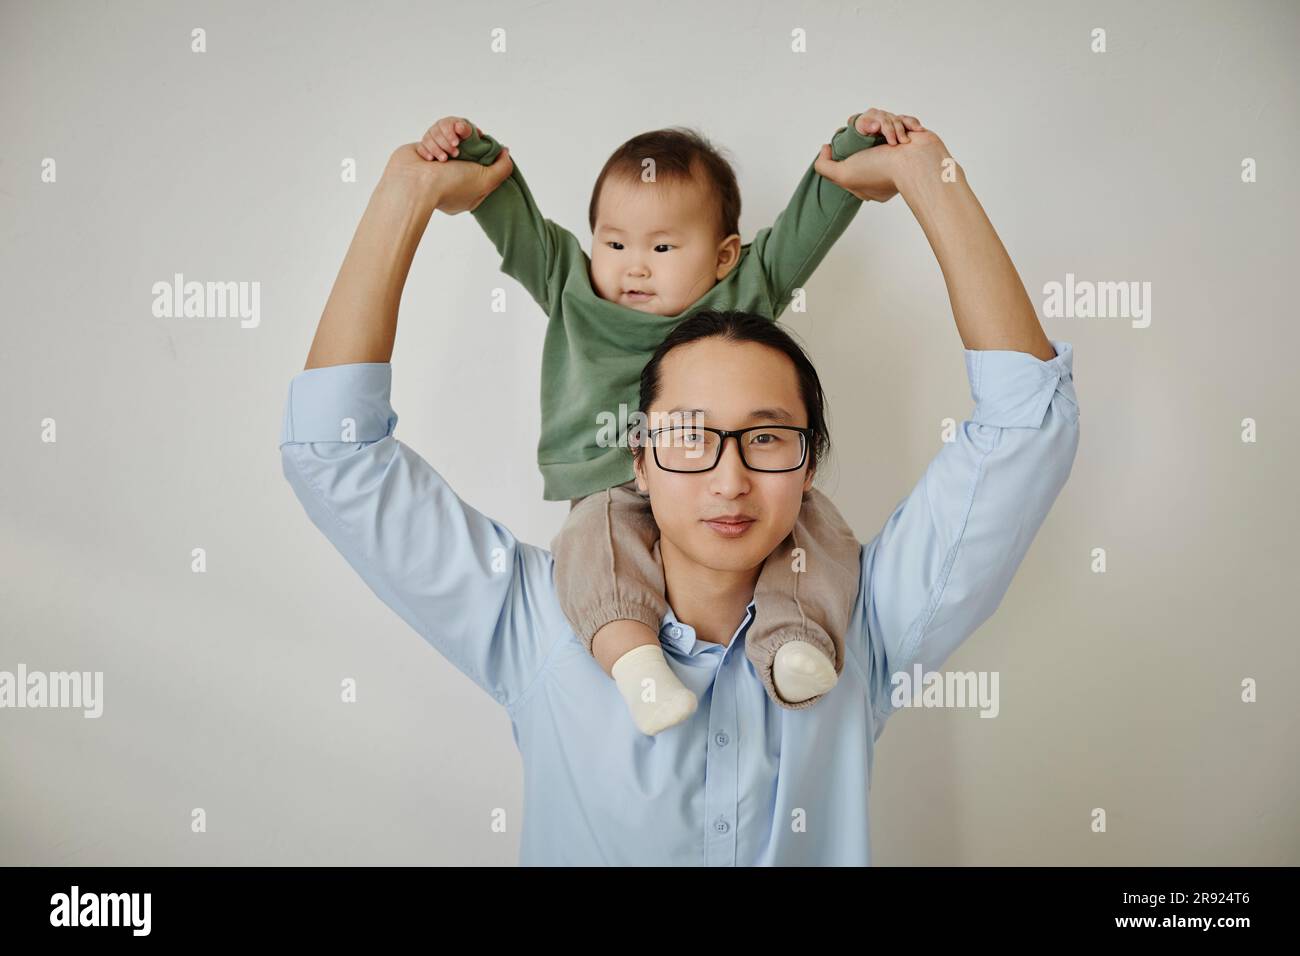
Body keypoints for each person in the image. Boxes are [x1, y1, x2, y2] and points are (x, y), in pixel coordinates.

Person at [279, 118, 1080, 865]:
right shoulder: (538, 624)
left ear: (808, 465)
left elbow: (1025, 429)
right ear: (637, 457)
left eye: (766, 438)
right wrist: (401, 196)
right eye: (689, 437)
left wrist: (928, 176)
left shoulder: (862, 630)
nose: (729, 480)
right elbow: (336, 458)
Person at [414, 110, 897, 732]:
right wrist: (470, 153)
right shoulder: (571, 285)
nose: (634, 266)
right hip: (608, 484)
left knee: (814, 527)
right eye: (614, 243)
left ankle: (796, 641)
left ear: (725, 256)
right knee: (592, 547)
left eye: (663, 247)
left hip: (732, 478)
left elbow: (810, 220)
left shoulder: (744, 288)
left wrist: (858, 143)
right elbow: (513, 217)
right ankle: (635, 662)